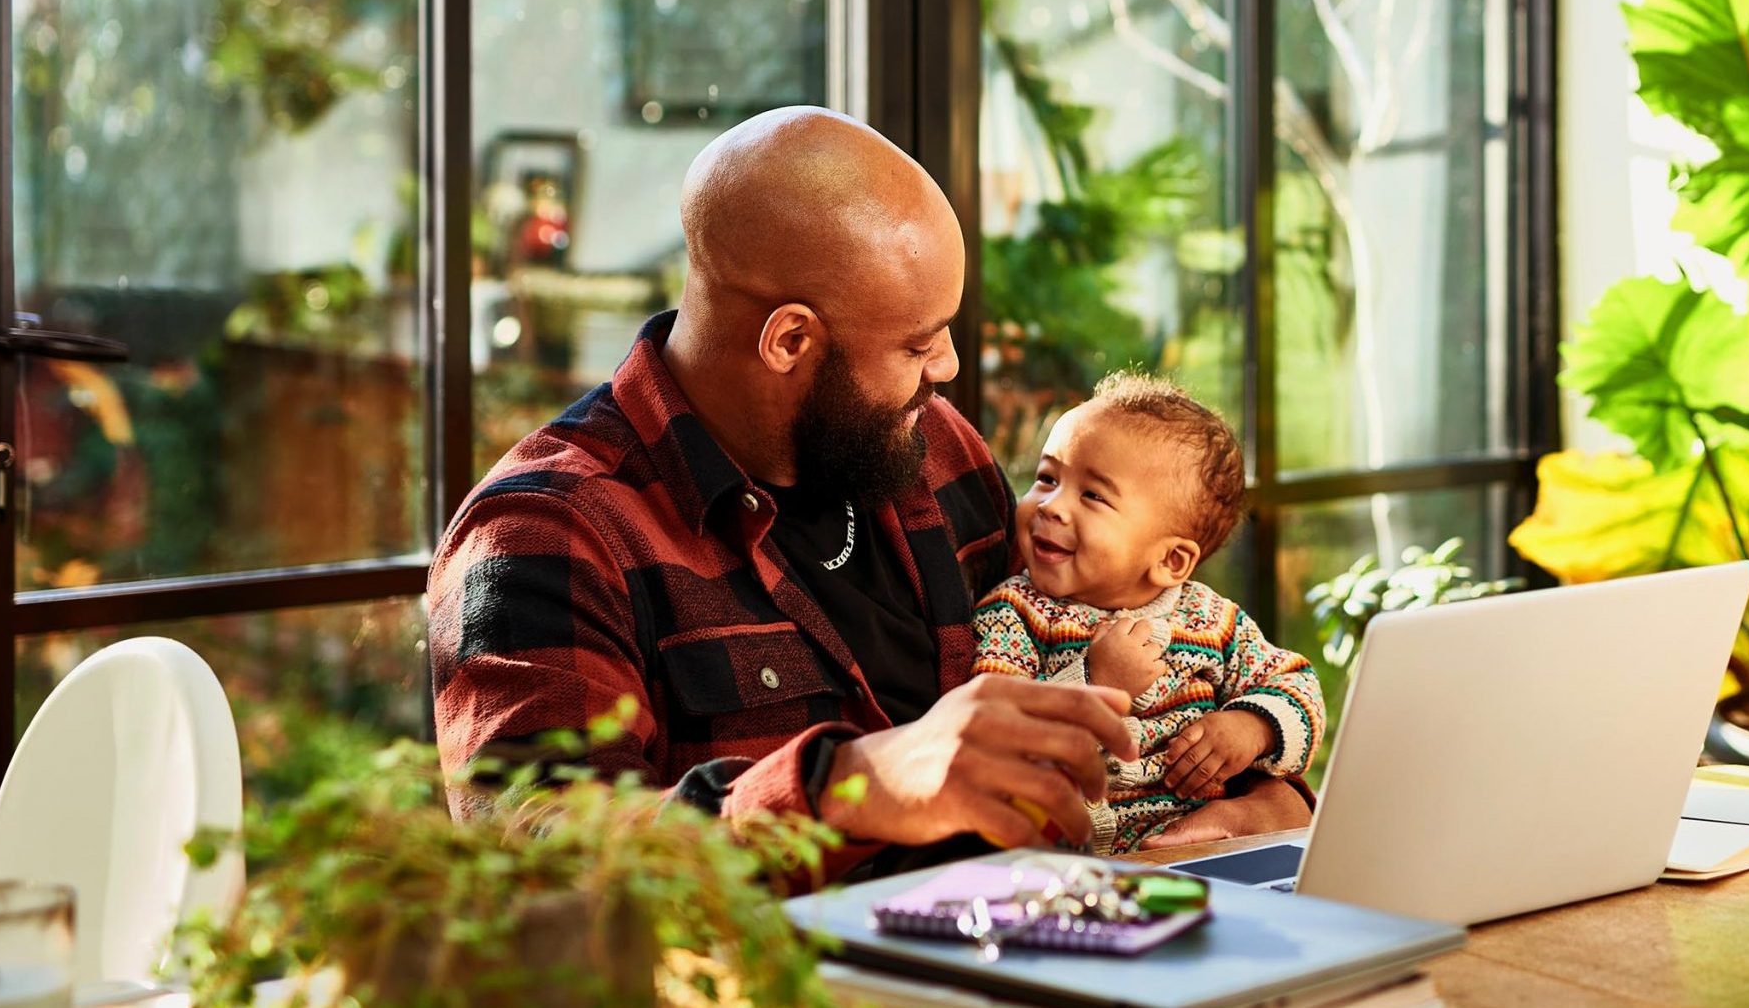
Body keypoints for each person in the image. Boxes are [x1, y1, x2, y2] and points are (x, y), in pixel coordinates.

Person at [427, 107, 1308, 883]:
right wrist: (854, 787)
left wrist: (1256, 797)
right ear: (789, 340)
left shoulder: (934, 451)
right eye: (918, 342)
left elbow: (1079, 673)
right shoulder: (549, 531)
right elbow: (546, 866)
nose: (949, 369)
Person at [973, 374, 1323, 854]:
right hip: (1069, 867)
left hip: (1203, 853)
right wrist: (1096, 681)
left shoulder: (1212, 621)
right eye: (1047, 478)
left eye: (1093, 496)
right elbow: (993, 733)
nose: (1051, 507)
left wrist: (1252, 726)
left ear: (1170, 562)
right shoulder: (1014, 613)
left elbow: (1297, 686)